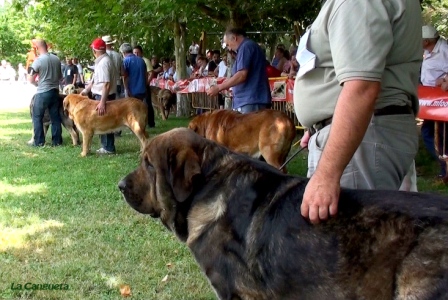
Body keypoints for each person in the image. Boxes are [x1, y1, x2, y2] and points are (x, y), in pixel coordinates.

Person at [294, 0, 421, 224]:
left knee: (348, 253)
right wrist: (318, 125)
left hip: (363, 138)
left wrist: (326, 175)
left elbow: (361, 89)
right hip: (362, 135)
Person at [207, 28, 271, 113]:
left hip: (251, 101)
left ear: (234, 38)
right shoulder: (247, 47)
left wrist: (219, 88)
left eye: (228, 45)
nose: (229, 49)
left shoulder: (245, 47)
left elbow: (241, 75)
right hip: (249, 100)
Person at [80, 38, 117, 154]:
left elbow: (106, 84)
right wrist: (86, 90)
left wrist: (102, 102)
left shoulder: (104, 62)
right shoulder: (102, 61)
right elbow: (95, 80)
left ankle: (108, 148)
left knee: (104, 121)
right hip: (101, 95)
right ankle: (105, 146)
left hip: (103, 96)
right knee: (103, 121)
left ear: (95, 50)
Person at [421, 24, 448, 179]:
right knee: (434, 134)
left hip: (441, 103)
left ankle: (445, 167)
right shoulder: (428, 50)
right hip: (431, 102)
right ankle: (444, 167)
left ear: (426, 41)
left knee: (432, 134)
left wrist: (444, 79)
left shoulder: (444, 50)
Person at [27, 39, 63, 147]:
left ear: (37, 48)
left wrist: (37, 84)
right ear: (47, 46)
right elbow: (60, 77)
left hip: (43, 92)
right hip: (55, 91)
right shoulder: (56, 59)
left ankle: (39, 142)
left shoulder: (38, 61)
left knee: (37, 117)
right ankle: (57, 141)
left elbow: (30, 79)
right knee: (55, 117)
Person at [132, 45, 156, 127]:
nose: (136, 54)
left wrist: (146, 83)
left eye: (137, 52)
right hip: (136, 87)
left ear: (141, 53)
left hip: (144, 86)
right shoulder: (133, 61)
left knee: (147, 104)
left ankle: (151, 122)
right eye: (134, 52)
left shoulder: (145, 61)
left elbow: (151, 73)